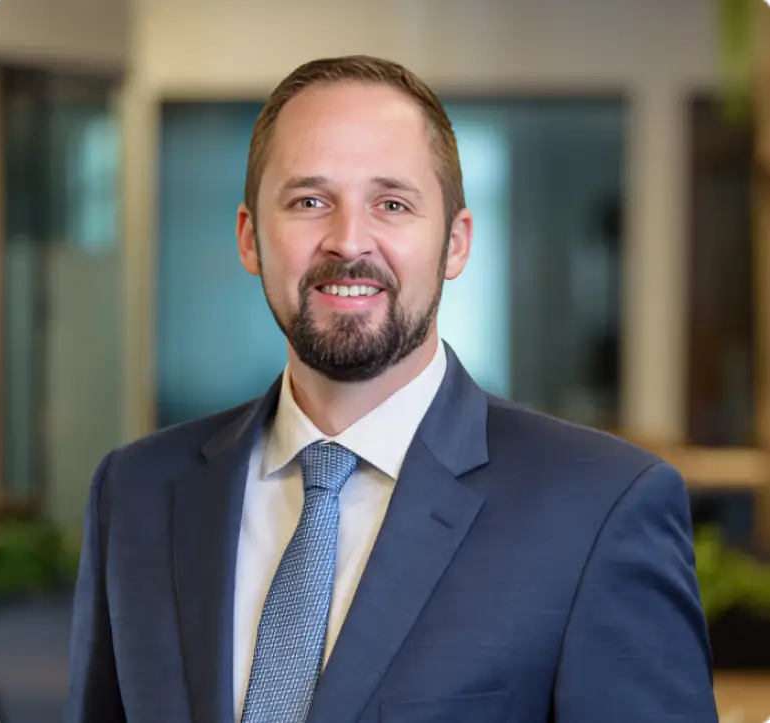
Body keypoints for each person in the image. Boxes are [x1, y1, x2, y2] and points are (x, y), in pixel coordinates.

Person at [65, 55, 719, 723]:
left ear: (455, 243)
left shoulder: (599, 507)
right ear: (250, 238)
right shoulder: (135, 493)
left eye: (392, 204)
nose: (349, 242)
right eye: (309, 201)